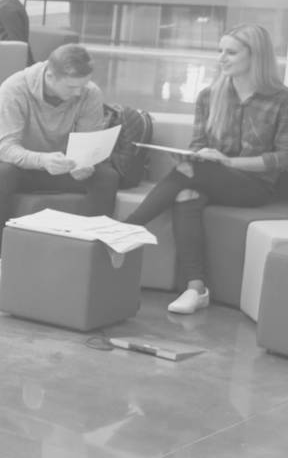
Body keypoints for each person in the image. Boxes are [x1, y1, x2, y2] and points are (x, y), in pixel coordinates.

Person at [119, 25, 288, 313]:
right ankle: (196, 288)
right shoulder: (210, 96)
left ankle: (127, 227)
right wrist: (193, 156)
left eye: (231, 52)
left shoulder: (281, 99)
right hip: (208, 178)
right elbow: (197, 146)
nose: (221, 58)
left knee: (192, 175)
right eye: (220, 51)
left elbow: (283, 157)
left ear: (256, 56)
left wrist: (227, 162)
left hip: (255, 186)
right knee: (186, 192)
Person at [0, 44, 118, 290]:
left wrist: (85, 164)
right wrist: (42, 160)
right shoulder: (15, 88)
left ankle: (93, 256)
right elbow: (7, 148)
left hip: (60, 165)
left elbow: (88, 143)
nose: (78, 93)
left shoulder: (89, 93)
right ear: (50, 75)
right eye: (71, 87)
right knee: (4, 175)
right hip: (9, 162)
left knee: (106, 177)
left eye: (82, 85)